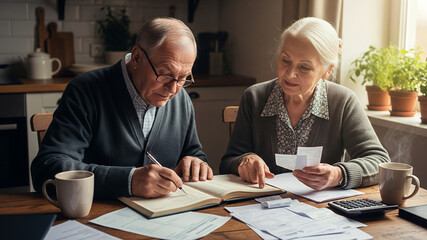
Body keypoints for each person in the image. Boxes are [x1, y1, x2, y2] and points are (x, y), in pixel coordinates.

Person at [31, 17, 213, 199]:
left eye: (183, 77)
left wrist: (195, 164)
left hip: (165, 219)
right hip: (95, 219)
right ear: (137, 57)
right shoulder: (85, 90)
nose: (173, 90)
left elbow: (193, 153)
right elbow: (48, 168)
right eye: (165, 74)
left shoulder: (181, 99)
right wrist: (129, 180)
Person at [220, 17, 390, 190]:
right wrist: (244, 161)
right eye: (285, 60)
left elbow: (379, 161)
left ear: (327, 71)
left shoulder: (343, 101)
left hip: (320, 210)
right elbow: (228, 162)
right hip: (262, 207)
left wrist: (338, 174)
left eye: (304, 67)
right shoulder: (254, 98)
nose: (290, 74)